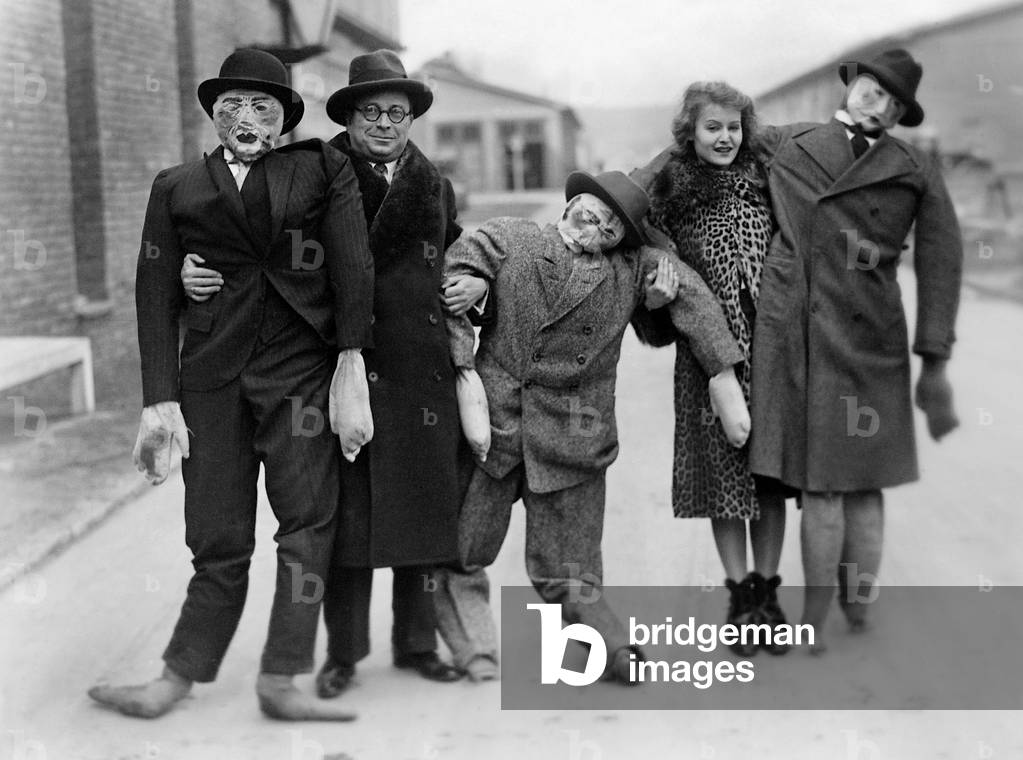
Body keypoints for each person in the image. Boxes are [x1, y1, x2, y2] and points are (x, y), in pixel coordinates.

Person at [87, 49, 374, 721]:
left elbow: (352, 262)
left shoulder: (320, 167)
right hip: (211, 382)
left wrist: (349, 360)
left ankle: (281, 677)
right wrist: (159, 399)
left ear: (284, 117)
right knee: (216, 537)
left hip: (299, 373)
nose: (247, 118)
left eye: (262, 107)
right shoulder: (176, 184)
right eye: (233, 107)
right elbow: (152, 291)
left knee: (307, 525)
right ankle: (177, 677)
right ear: (215, 116)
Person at [183, 49, 482, 694]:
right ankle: (344, 653)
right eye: (370, 111)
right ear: (348, 115)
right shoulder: (313, 168)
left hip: (419, 364)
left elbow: (457, 246)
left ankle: (417, 644)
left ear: (411, 120)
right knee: (348, 518)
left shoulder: (435, 183)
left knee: (422, 512)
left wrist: (470, 281)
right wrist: (189, 267)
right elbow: (244, 230)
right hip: (340, 360)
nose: (384, 124)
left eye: (396, 113)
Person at [646, 49, 962, 651]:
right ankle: (780, 608)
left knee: (843, 480)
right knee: (790, 479)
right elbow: (675, 162)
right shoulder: (788, 142)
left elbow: (944, 261)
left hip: (869, 333)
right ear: (852, 88)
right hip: (789, 331)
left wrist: (935, 356)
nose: (878, 105)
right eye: (872, 90)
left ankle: (836, 605)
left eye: (892, 101)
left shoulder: (914, 167)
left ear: (900, 113)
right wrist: (616, 207)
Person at [433, 170, 751, 682]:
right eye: (591, 211)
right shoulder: (510, 237)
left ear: (623, 240)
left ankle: (607, 646)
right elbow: (449, 279)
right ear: (570, 203)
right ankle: (473, 648)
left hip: (575, 433)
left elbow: (694, 299)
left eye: (611, 229)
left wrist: (722, 371)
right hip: (492, 425)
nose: (595, 228)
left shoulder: (634, 269)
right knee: (462, 549)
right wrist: (464, 367)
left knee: (572, 566)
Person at [629, 82, 792, 656]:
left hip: (773, 352)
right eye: (711, 127)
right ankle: (739, 596)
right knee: (724, 482)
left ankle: (768, 595)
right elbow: (652, 306)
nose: (725, 137)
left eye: (733, 127)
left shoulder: (769, 182)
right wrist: (652, 302)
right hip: (708, 362)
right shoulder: (668, 197)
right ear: (689, 133)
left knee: (768, 479)